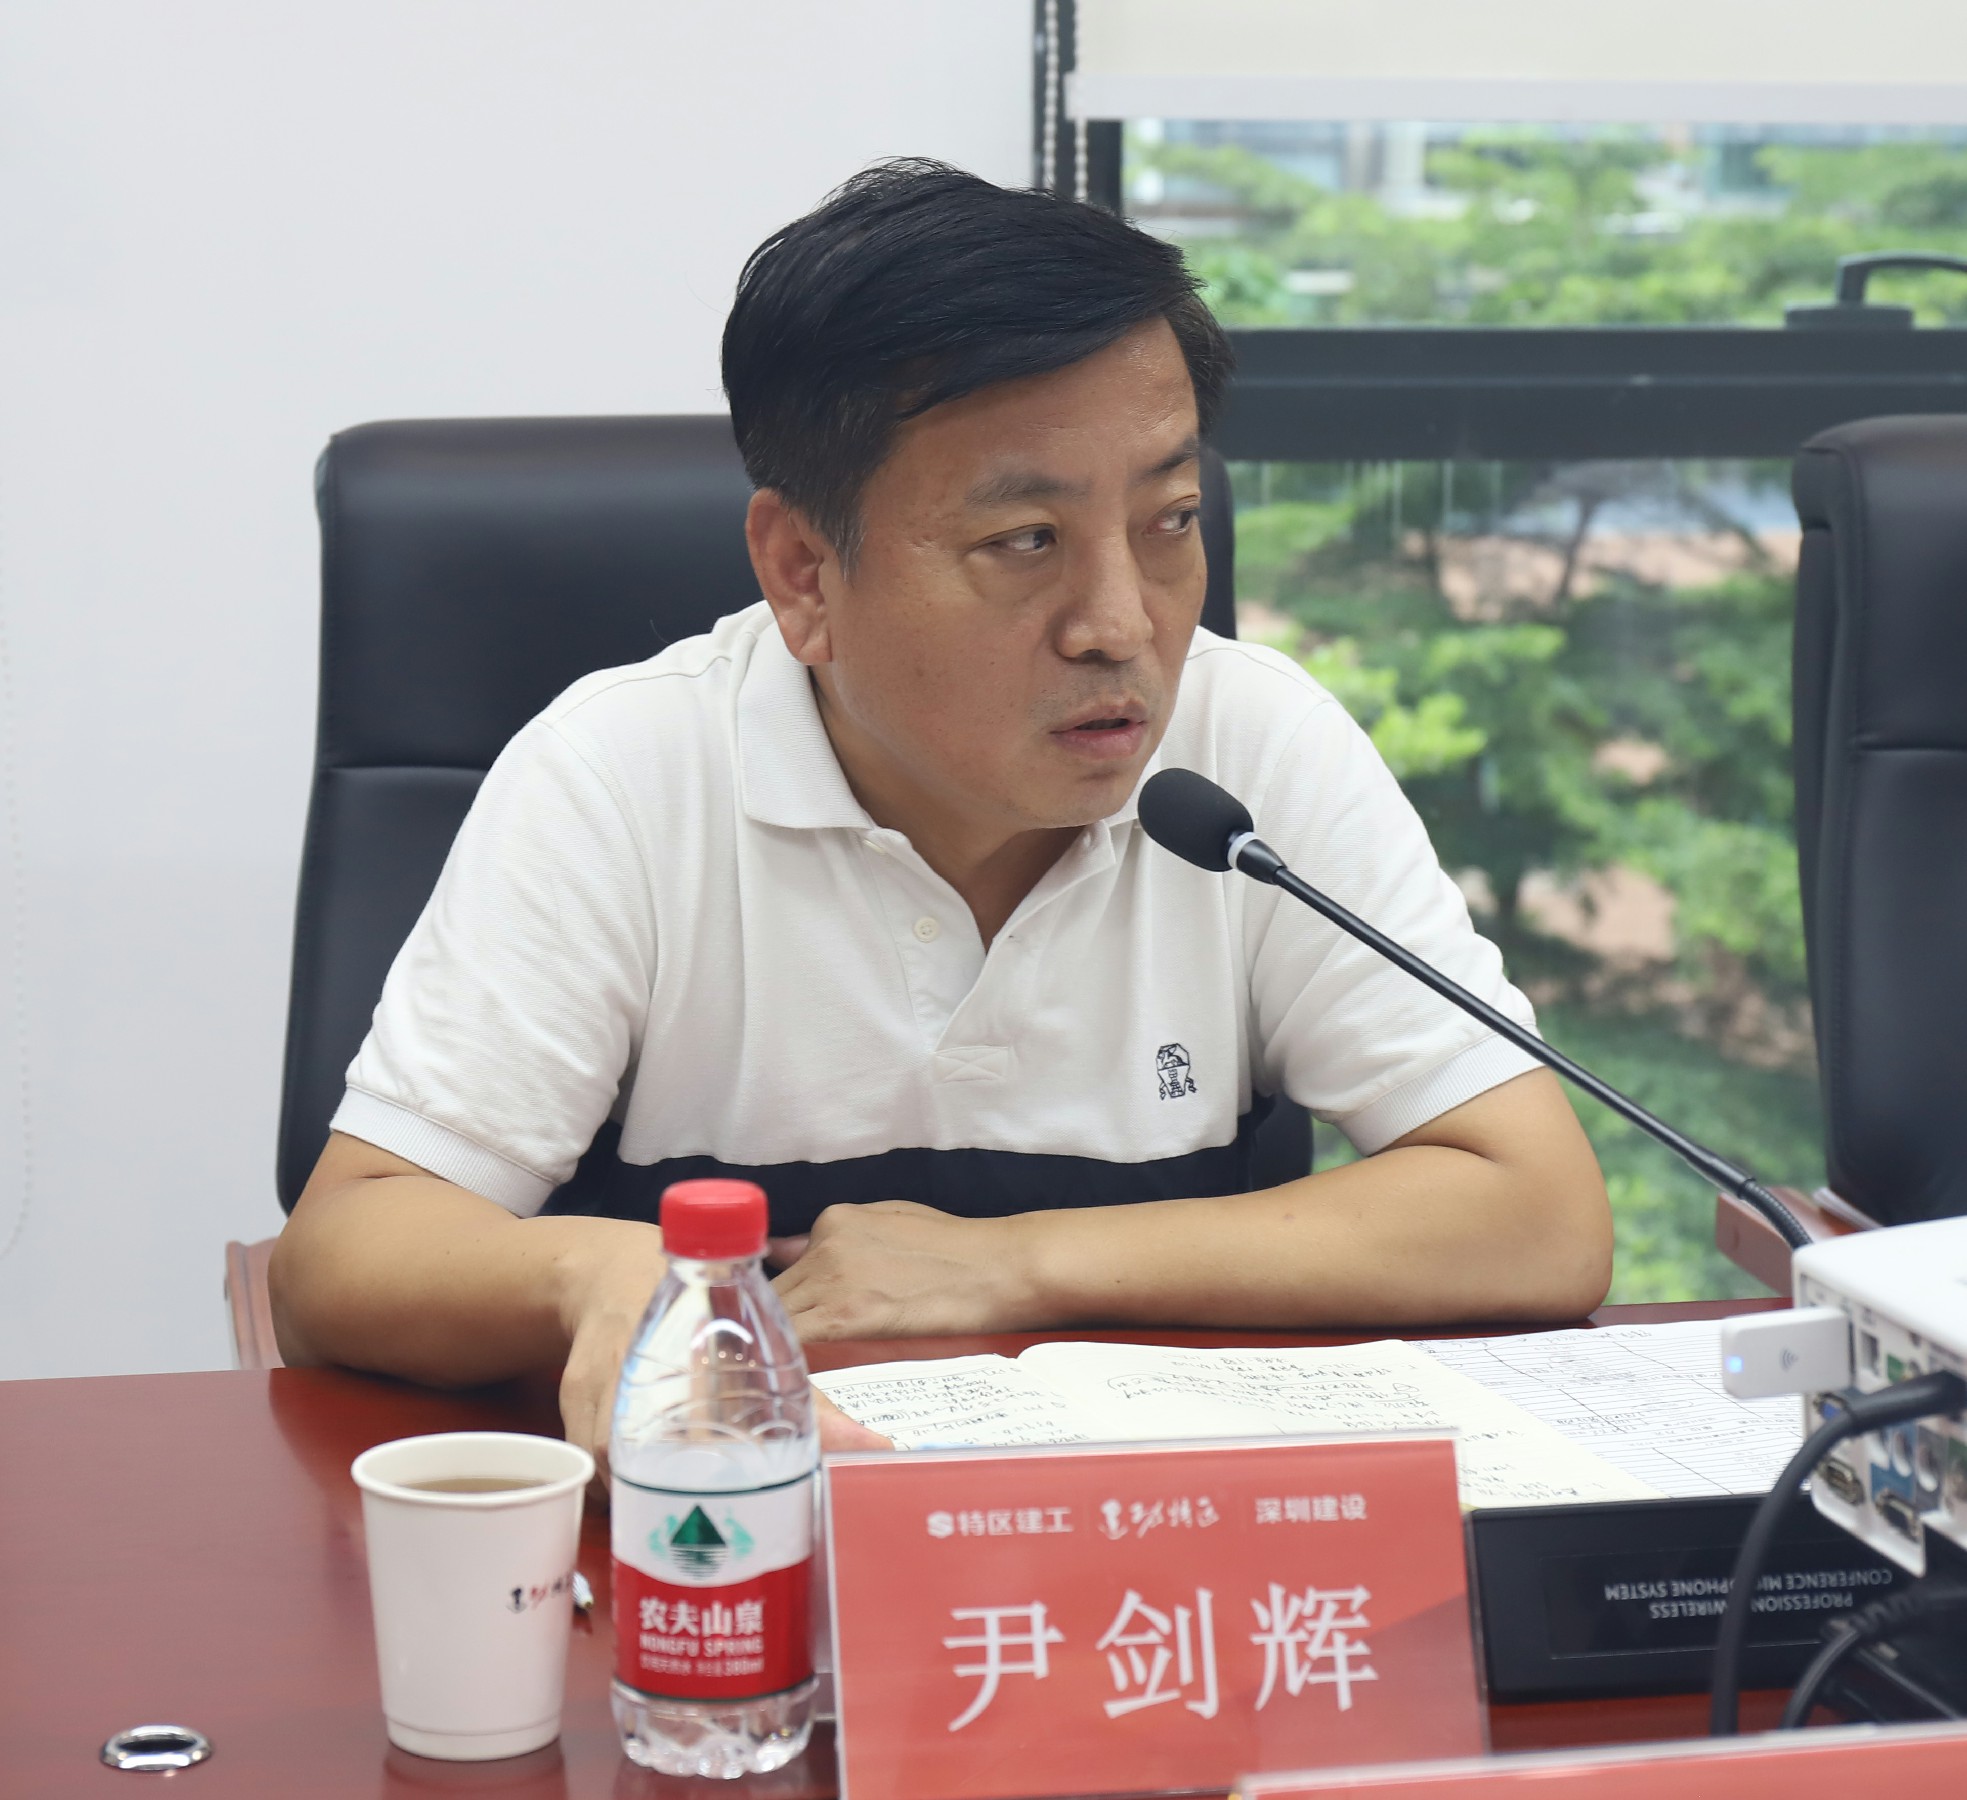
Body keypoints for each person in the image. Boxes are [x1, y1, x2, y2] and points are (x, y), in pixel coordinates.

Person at [270, 161, 1613, 1467]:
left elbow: (1538, 1213)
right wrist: (592, 1275)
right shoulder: (626, 776)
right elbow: (341, 1256)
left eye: (1170, 519)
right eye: (1024, 541)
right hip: (737, 1539)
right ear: (805, 572)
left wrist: (1010, 1263)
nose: (1122, 624)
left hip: (1155, 1546)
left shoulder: (1249, 746)